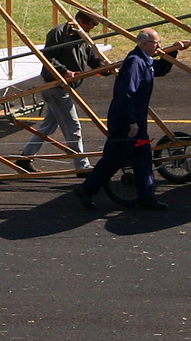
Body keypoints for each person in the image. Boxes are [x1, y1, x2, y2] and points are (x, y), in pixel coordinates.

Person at [74, 28, 182, 211]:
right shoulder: (134, 62)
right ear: (144, 43)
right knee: (114, 158)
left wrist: (174, 50)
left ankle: (146, 196)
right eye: (156, 43)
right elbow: (126, 94)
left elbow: (160, 69)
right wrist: (132, 122)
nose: (159, 46)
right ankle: (86, 189)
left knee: (143, 156)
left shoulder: (143, 60)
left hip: (136, 120)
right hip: (125, 120)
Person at [18, 10, 105, 172]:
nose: (90, 30)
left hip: (66, 87)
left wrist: (106, 68)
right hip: (55, 87)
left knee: (48, 126)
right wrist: (64, 71)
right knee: (73, 127)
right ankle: (82, 166)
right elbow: (48, 58)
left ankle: (25, 157)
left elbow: (93, 59)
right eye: (89, 25)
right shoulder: (58, 33)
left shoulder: (83, 36)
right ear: (79, 20)